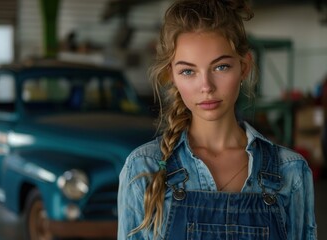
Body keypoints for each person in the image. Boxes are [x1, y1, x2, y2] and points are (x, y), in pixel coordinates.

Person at [117, 0, 317, 239]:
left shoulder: (291, 171)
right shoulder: (143, 168)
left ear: (244, 67)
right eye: (188, 71)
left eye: (220, 67)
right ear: (171, 76)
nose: (206, 87)